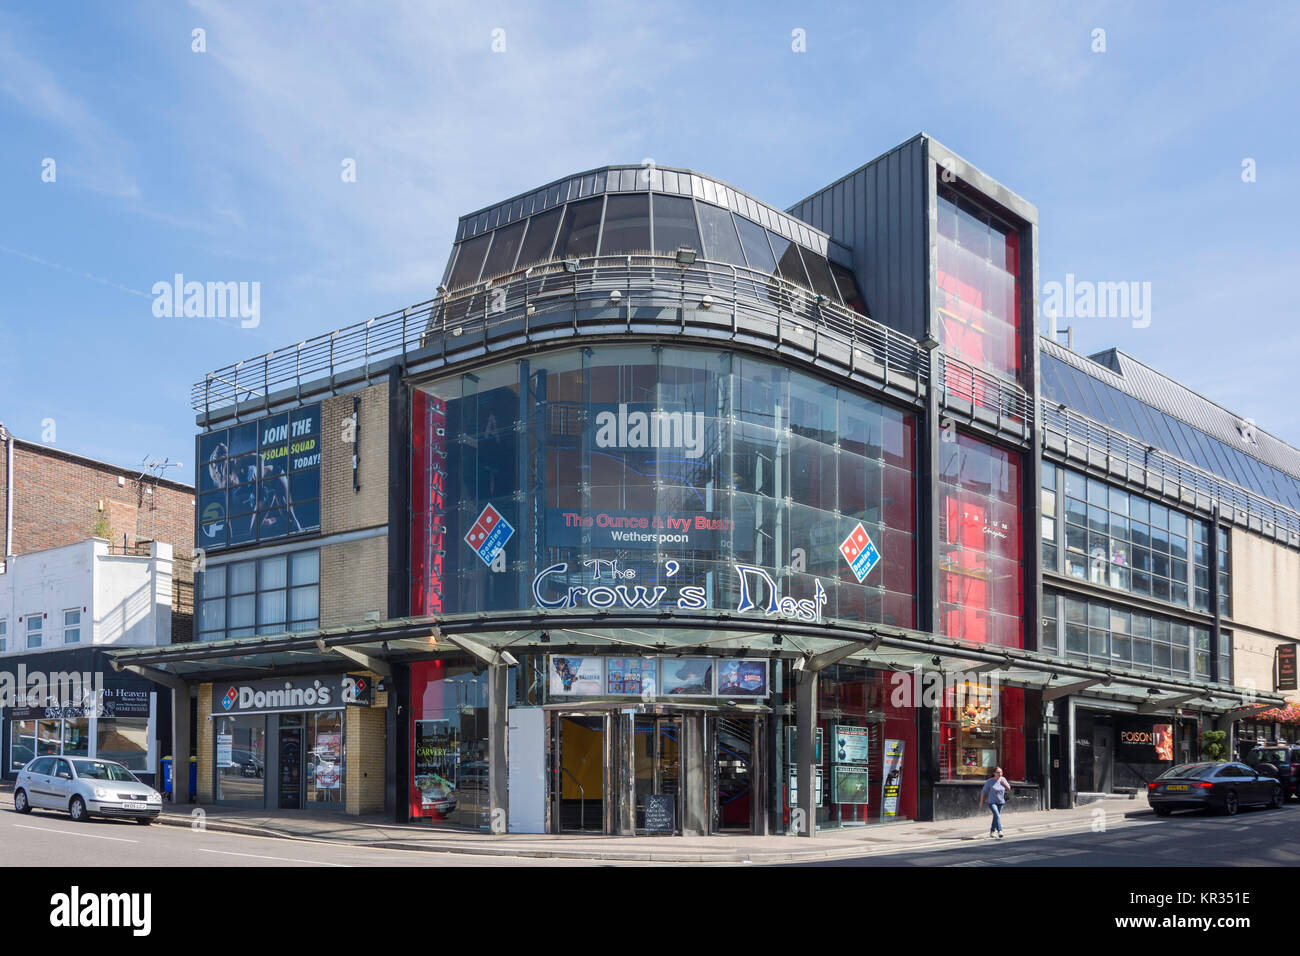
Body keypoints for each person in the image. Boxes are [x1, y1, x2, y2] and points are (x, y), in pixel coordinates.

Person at [978, 765, 1012, 838]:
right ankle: (1000, 830)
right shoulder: (990, 781)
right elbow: (983, 792)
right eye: (998, 772)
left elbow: (1009, 788)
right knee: (997, 815)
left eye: (1001, 772)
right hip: (992, 802)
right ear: (994, 773)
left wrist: (1004, 784)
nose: (1000, 774)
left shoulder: (1003, 779)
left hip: (1001, 802)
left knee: (996, 817)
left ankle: (992, 831)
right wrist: (981, 802)